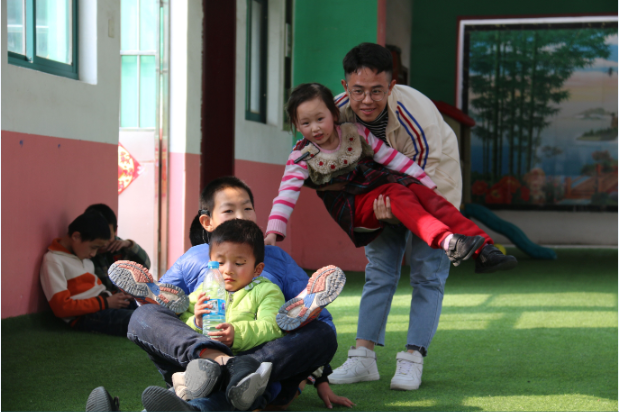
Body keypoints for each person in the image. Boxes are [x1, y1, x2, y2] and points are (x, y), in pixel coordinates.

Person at [325, 42, 517, 391]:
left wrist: (399, 210)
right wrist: (378, 209)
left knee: (428, 273)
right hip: (381, 191)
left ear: (391, 86)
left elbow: (422, 186)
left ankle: (412, 358)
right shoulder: (335, 114)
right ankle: (363, 358)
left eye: (376, 91)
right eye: (358, 91)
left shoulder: (418, 116)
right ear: (345, 86)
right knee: (380, 270)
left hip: (433, 185)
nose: (366, 100)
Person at [92, 177, 353, 411]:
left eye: (247, 208)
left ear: (257, 267)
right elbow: (171, 316)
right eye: (229, 210)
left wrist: (321, 378)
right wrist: (195, 320)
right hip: (197, 357)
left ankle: (235, 372)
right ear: (207, 222)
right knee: (145, 314)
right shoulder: (193, 258)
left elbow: (309, 321)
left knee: (322, 334)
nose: (241, 216)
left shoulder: (275, 261)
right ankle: (218, 362)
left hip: (258, 356)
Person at [264, 82, 518, 274]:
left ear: (334, 114)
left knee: (423, 193)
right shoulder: (301, 157)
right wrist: (274, 231)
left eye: (320, 119)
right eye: (305, 123)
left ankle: (485, 249)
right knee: (397, 194)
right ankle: (448, 241)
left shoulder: (355, 132)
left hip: (378, 184)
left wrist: (425, 184)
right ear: (296, 125)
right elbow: (285, 195)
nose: (315, 128)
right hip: (353, 205)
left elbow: (392, 158)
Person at [142, 218, 286, 411]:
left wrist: (236, 334)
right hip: (202, 365)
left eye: (239, 263)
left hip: (240, 369)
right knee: (189, 389)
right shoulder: (206, 288)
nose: (228, 270)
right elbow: (180, 323)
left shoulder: (267, 291)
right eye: (220, 263)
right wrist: (196, 321)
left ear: (257, 269)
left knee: (216, 397)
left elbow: (272, 327)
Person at [39, 211, 135, 337]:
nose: (93, 254)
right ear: (76, 236)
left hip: (104, 304)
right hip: (85, 316)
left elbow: (95, 290)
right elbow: (61, 307)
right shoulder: (53, 260)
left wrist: (116, 297)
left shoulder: (83, 257)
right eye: (93, 247)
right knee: (137, 320)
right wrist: (106, 302)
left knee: (147, 307)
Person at [85, 203, 151, 293]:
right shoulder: (86, 252)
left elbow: (146, 265)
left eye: (108, 237)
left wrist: (130, 245)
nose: (104, 243)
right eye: (98, 237)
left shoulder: (121, 246)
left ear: (115, 230)